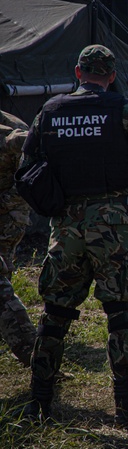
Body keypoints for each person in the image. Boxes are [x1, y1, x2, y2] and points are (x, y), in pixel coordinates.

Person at [19, 45, 128, 423]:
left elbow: (28, 166)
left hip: (66, 224)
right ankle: (126, 404)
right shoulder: (125, 109)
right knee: (121, 311)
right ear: (111, 75)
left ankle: (39, 401)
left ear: (77, 72)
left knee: (55, 312)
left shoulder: (50, 111)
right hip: (112, 223)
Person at [0, 113, 35, 367]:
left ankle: (30, 353)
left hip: (9, 214)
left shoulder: (14, 130)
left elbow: (26, 178)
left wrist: (4, 203)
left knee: (4, 274)